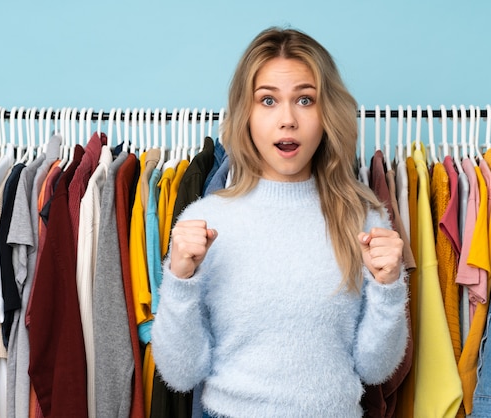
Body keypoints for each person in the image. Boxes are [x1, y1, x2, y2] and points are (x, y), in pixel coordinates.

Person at [151, 27, 409, 417]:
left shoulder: (364, 218)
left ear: (327, 114)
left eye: (305, 99)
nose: (287, 120)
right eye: (268, 100)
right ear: (246, 114)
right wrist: (180, 281)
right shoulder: (205, 219)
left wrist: (388, 289)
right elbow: (182, 375)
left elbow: (375, 369)